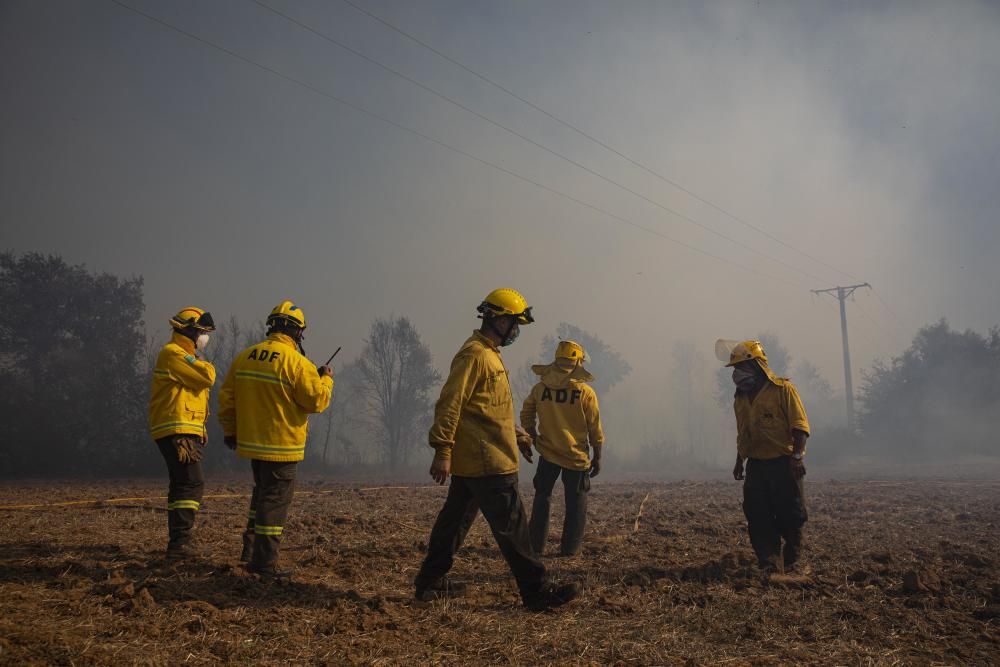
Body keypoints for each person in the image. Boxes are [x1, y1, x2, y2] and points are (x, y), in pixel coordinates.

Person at [414, 288, 581, 611]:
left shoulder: (489, 355)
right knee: (514, 529)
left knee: (453, 524)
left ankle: (429, 582)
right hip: (487, 461)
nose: (517, 331)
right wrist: (442, 449)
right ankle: (537, 592)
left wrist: (517, 435)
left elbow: (487, 409)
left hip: (478, 459)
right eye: (515, 324)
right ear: (499, 320)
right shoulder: (474, 356)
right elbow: (451, 403)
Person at [218, 301, 333, 580]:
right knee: (274, 502)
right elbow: (315, 401)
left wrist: (231, 432)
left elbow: (227, 399)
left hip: (252, 445)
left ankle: (250, 553)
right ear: (297, 332)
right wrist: (326, 380)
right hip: (282, 447)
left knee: (261, 497)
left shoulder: (244, 357)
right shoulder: (298, 363)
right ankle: (264, 564)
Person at [717, 339, 811, 578]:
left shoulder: (783, 390)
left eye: (742, 368)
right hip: (756, 464)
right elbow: (744, 433)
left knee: (791, 513)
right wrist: (740, 461)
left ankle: (791, 561)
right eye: (736, 370)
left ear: (758, 366)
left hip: (783, 462)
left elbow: (799, 427)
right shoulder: (740, 398)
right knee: (757, 514)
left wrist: (797, 457)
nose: (737, 375)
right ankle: (768, 561)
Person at [521, 340, 604, 556]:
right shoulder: (585, 392)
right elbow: (595, 428)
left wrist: (531, 437)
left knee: (542, 498)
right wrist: (598, 457)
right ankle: (570, 550)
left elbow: (526, 413)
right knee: (576, 503)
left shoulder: (540, 389)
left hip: (547, 453)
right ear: (578, 362)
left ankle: (536, 546)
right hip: (576, 457)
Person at [148, 307, 217, 559]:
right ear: (188, 330)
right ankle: (180, 544)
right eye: (202, 332)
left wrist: (200, 428)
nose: (204, 338)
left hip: (183, 428)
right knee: (191, 482)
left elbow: (192, 395)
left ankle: (179, 542)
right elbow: (206, 376)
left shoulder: (182, 355)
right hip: (176, 429)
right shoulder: (173, 353)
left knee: (182, 483)